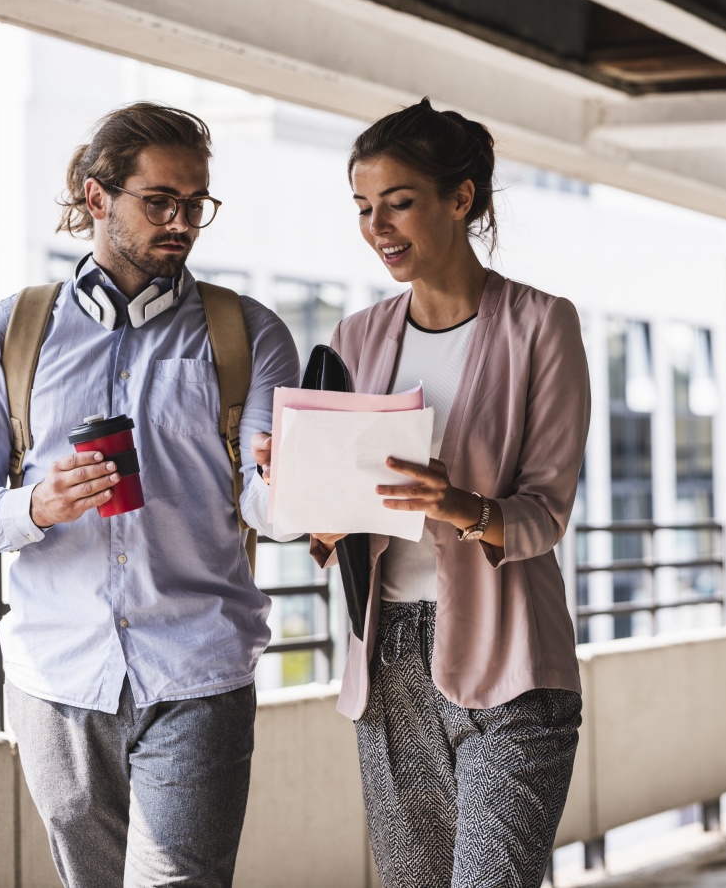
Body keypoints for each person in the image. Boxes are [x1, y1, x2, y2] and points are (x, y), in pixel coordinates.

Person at [0, 103, 300, 888]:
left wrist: (299, 489)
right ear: (97, 197)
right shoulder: (9, 335)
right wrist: (33, 505)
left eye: (196, 203)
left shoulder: (249, 334)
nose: (183, 221)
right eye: (159, 200)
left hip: (198, 666)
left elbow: (271, 504)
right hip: (57, 677)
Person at [248, 99, 591, 887]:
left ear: (461, 198)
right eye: (365, 208)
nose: (379, 226)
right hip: (388, 656)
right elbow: (335, 518)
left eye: (399, 202)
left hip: (514, 658)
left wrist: (456, 501)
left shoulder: (541, 324)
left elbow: (546, 511)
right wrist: (298, 484)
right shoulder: (356, 338)